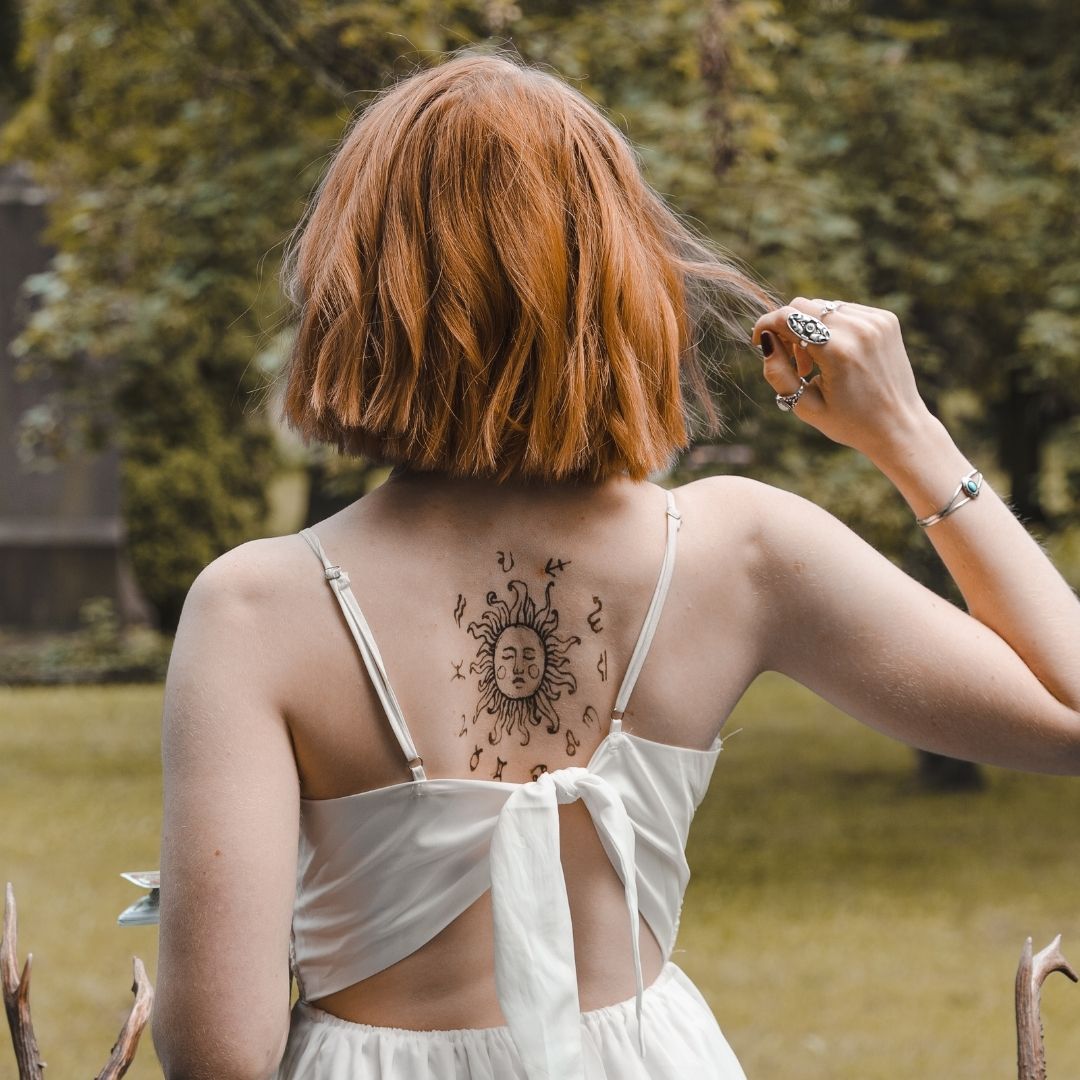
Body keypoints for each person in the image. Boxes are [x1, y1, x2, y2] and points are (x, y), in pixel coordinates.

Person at [150, 49, 1080, 1080]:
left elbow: (219, 1057)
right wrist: (910, 437)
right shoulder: (744, 551)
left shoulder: (254, 609)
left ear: (354, 291)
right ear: (622, 275)